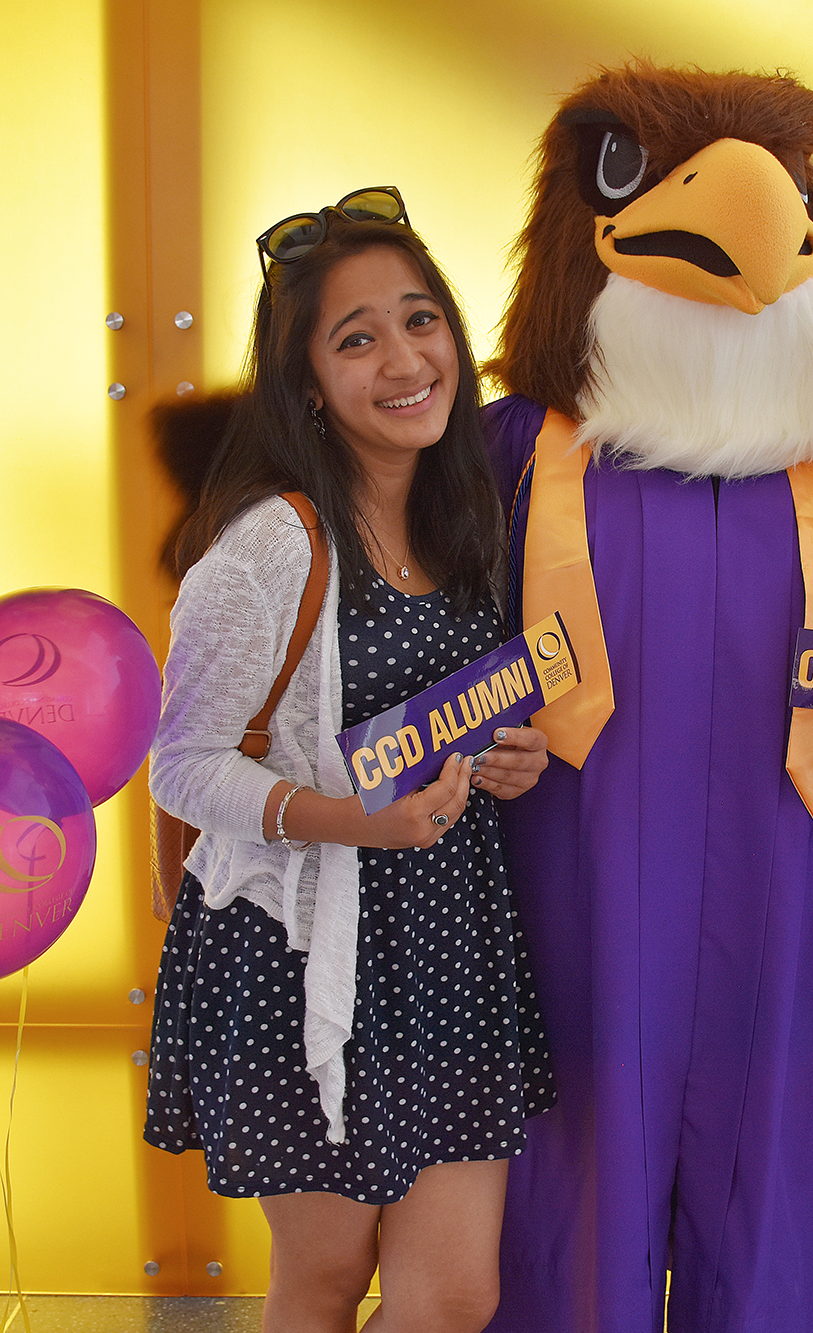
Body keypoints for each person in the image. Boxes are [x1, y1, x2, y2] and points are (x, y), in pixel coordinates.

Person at [144, 188, 555, 1333]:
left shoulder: (463, 517)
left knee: (454, 1295)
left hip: (448, 949)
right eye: (355, 337)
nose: (403, 358)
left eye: (419, 319)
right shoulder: (270, 542)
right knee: (323, 1282)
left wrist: (499, 760)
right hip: (299, 961)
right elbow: (179, 767)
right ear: (307, 384)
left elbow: (438, 729)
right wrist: (356, 822)